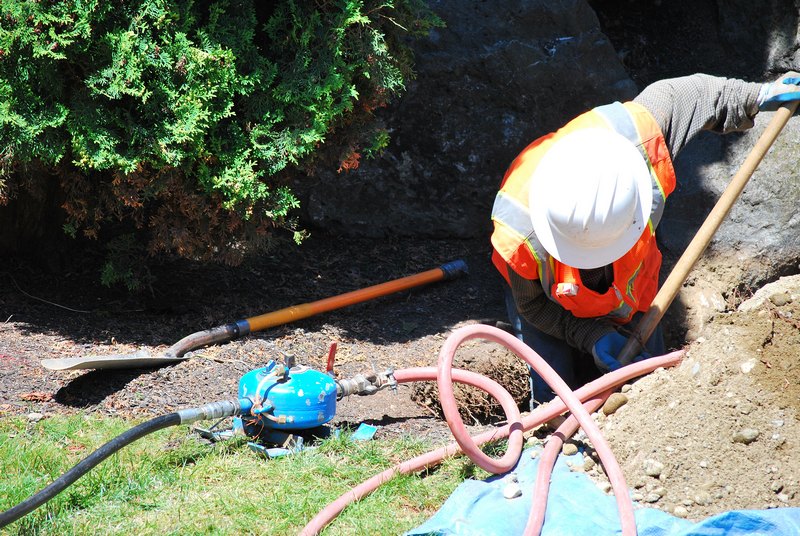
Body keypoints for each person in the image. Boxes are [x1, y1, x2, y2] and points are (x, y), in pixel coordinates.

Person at [490, 72, 800, 407]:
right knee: (555, 399)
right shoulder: (519, 234)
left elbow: (691, 94)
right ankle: (553, 426)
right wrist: (592, 335)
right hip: (552, 303)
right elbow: (533, 305)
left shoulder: (637, 141)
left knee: (649, 393)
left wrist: (756, 95)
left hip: (634, 297)